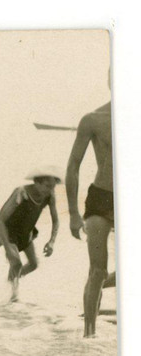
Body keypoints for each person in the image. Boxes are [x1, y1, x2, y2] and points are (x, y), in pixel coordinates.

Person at [66, 99, 114, 337]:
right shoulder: (93, 119)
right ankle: (89, 336)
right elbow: (73, 164)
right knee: (97, 270)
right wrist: (73, 213)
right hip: (101, 199)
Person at [0, 168, 61, 302]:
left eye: (53, 187)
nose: (50, 190)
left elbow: (55, 220)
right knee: (16, 263)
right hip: (8, 231)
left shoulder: (49, 196)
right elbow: (0, 220)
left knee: (33, 264)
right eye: (47, 186)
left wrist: (51, 241)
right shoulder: (21, 192)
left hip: (26, 231)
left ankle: (10, 283)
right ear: (37, 182)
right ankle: (13, 298)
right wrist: (7, 246)